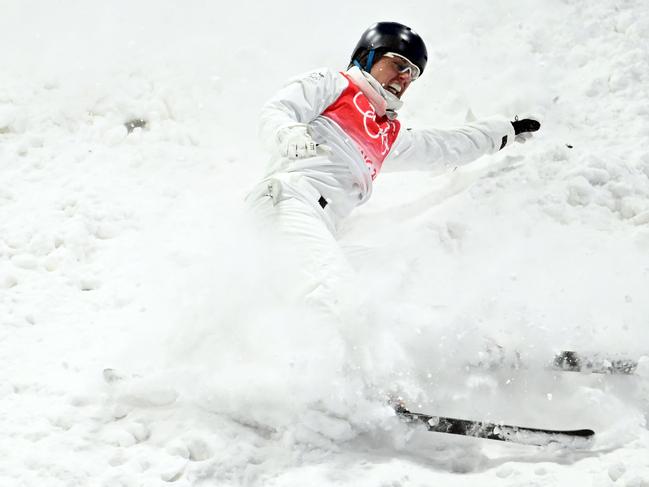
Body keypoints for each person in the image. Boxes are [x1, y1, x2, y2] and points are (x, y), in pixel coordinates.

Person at [246, 21, 540, 314]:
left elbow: (445, 146)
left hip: (322, 227)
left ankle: (443, 348)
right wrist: (288, 133)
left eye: (413, 73)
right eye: (398, 63)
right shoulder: (333, 84)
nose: (404, 78)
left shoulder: (386, 132)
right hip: (288, 202)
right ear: (368, 57)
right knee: (333, 291)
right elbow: (279, 110)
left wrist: (505, 130)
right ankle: (309, 357)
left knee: (391, 278)